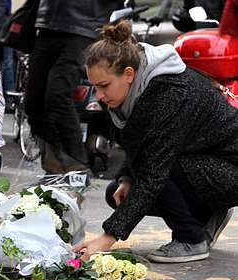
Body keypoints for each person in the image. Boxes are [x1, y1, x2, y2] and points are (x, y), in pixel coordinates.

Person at [73, 20, 238, 263]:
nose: (99, 95)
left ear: (128, 74)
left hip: (230, 170)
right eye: (95, 87)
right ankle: (204, 217)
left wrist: (107, 238)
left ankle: (191, 239)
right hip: (205, 162)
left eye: (104, 86)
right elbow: (141, 144)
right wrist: (127, 177)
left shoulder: (169, 92)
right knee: (116, 192)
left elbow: (154, 168)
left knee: (152, 170)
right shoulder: (131, 90)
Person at [24, 0, 124, 176]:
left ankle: (77, 166)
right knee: (33, 103)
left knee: (57, 96)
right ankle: (56, 164)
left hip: (83, 27)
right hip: (47, 23)